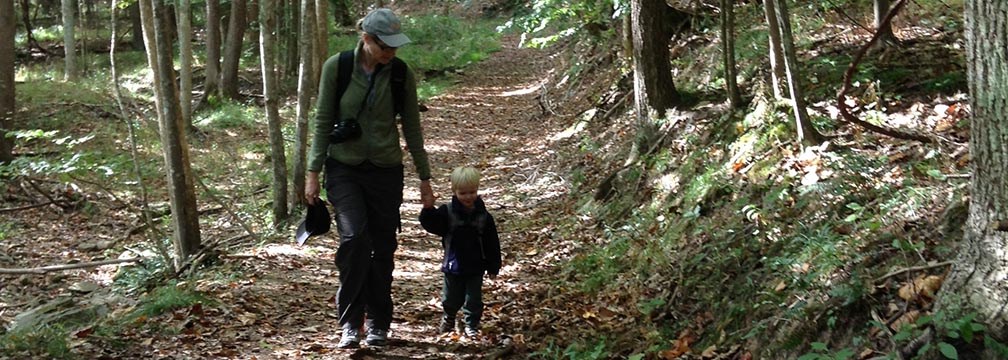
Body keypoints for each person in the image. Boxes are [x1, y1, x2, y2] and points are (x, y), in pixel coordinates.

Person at [305, 8, 434, 349]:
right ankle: (350, 322)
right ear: (366, 39)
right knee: (354, 238)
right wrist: (312, 172)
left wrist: (424, 177)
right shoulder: (339, 67)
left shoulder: (400, 74)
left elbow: (412, 126)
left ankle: (378, 321)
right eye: (385, 46)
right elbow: (322, 120)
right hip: (344, 166)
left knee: (383, 246)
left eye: (395, 45)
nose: (391, 52)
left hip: (386, 169)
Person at [419, 166, 502, 338]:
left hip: (476, 265)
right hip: (453, 265)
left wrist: (493, 266)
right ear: (454, 191)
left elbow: (492, 242)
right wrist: (428, 209)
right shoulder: (447, 212)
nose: (468, 197)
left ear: (477, 190)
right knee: (451, 298)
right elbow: (432, 225)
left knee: (473, 299)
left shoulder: (484, 216)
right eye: (463, 193)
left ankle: (472, 324)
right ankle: (449, 317)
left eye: (472, 192)